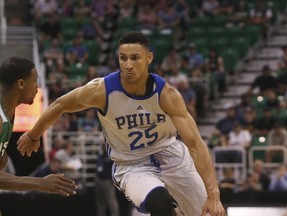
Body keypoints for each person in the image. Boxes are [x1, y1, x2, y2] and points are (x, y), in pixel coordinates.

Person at [17, 31, 226, 216]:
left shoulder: (167, 94)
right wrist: (34, 134)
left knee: (210, 212)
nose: (128, 64)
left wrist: (214, 194)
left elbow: (196, 145)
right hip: (132, 164)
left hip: (171, 155)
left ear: (149, 58)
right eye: (123, 58)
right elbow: (61, 104)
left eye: (135, 58)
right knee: (159, 203)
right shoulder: (102, 90)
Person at [0, 56, 76, 196]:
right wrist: (39, 182)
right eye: (34, 80)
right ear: (21, 84)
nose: (37, 86)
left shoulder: (9, 110)